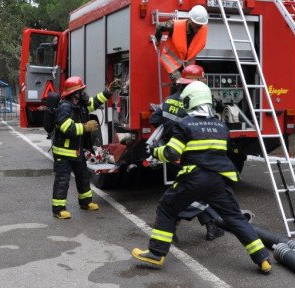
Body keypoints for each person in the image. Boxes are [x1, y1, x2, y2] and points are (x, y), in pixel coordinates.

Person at [132, 80, 271, 274]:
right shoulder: (222, 127)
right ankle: (262, 258)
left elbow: (172, 153)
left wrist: (155, 152)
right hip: (219, 180)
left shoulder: (184, 125)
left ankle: (156, 254)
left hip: (194, 178)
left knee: (167, 208)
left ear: (190, 101)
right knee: (235, 217)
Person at [149, 64, 225, 241]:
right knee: (187, 194)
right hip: (192, 154)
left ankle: (210, 224)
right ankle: (175, 226)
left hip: (173, 152)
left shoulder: (168, 102)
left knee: (192, 191)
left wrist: (168, 132)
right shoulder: (194, 105)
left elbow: (154, 119)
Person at [51, 76, 121, 219]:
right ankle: (58, 209)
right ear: (73, 93)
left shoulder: (82, 105)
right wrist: (85, 127)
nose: (83, 92)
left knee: (83, 177)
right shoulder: (65, 107)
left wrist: (109, 91)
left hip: (77, 152)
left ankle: (86, 202)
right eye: (81, 90)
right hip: (63, 153)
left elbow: (95, 102)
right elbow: (66, 127)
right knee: (62, 181)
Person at [154, 4, 209, 88]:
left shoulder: (203, 29)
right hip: (171, 59)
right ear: (190, 20)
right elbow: (159, 26)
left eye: (200, 26)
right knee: (179, 83)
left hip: (187, 62)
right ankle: (175, 99)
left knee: (194, 85)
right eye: (196, 26)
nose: (198, 29)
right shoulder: (174, 25)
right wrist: (158, 41)